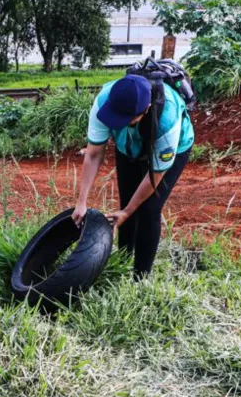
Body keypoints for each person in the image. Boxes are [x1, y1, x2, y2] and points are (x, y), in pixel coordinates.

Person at [73, 74, 194, 277]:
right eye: (114, 118)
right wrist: (81, 202)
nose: (117, 124)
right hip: (128, 147)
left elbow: (155, 174)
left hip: (172, 149)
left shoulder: (167, 120)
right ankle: (123, 261)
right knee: (126, 203)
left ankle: (141, 277)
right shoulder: (104, 101)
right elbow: (93, 154)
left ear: (145, 109)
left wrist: (129, 211)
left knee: (148, 209)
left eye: (126, 120)